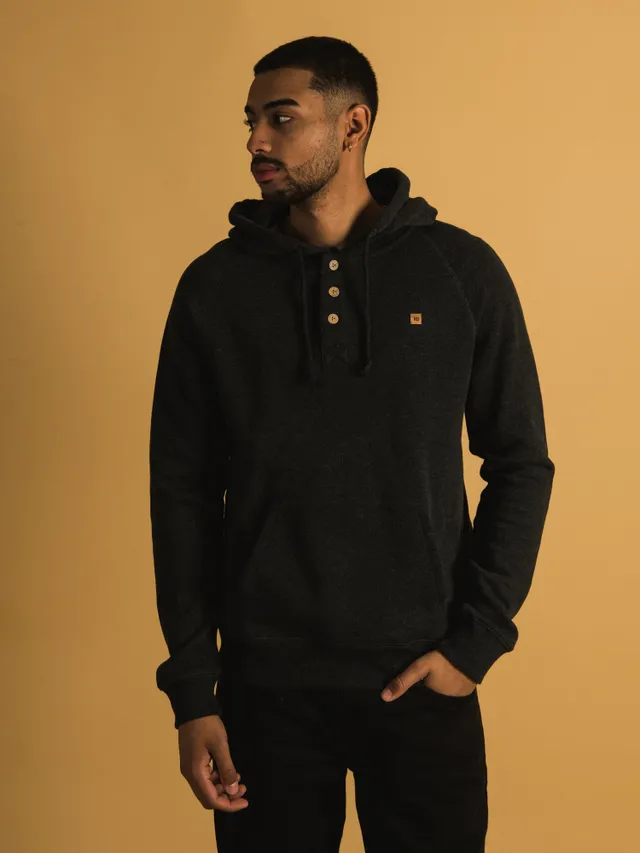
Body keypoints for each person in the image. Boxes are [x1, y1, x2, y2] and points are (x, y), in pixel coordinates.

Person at [149, 35, 555, 853]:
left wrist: (474, 642)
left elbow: (520, 462)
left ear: (353, 124)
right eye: (250, 120)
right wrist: (194, 689)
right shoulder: (214, 287)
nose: (256, 140)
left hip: (422, 680)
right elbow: (181, 494)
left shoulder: (460, 271)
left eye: (281, 118)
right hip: (263, 691)